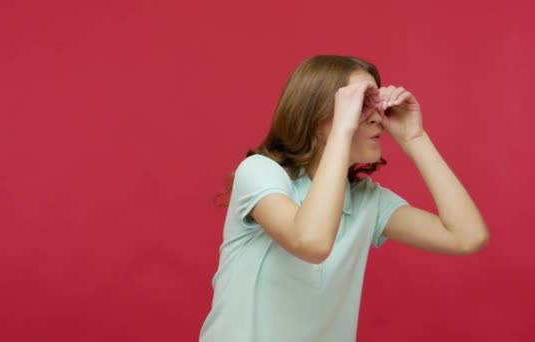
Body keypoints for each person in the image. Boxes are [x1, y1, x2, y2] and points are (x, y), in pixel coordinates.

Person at [199, 55, 489, 341]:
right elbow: (311, 242)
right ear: (316, 116)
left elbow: (466, 236)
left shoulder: (365, 200)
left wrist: (415, 138)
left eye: (376, 103)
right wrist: (341, 129)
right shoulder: (260, 172)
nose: (377, 117)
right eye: (361, 104)